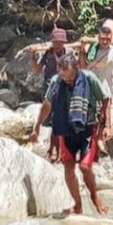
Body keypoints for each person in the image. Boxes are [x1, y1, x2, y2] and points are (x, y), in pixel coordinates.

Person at [31, 54, 111, 215]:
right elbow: (47, 104)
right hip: (66, 128)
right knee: (68, 167)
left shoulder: (89, 78)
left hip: (87, 128)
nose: (67, 81)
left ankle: (94, 196)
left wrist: (107, 124)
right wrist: (37, 125)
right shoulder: (56, 81)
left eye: (70, 78)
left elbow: (105, 99)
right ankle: (78, 204)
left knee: (84, 166)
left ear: (77, 70)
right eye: (63, 77)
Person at [31, 28, 75, 160]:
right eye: (56, 42)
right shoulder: (48, 53)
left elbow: (78, 68)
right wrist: (33, 57)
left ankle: (56, 150)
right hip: (50, 89)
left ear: (64, 42)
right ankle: (53, 150)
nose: (58, 45)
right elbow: (37, 69)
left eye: (60, 42)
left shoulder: (69, 53)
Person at [79, 26, 113, 108]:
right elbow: (83, 68)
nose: (105, 41)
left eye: (108, 39)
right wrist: (82, 50)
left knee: (106, 119)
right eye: (102, 38)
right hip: (89, 91)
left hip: (105, 92)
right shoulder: (91, 49)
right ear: (98, 37)